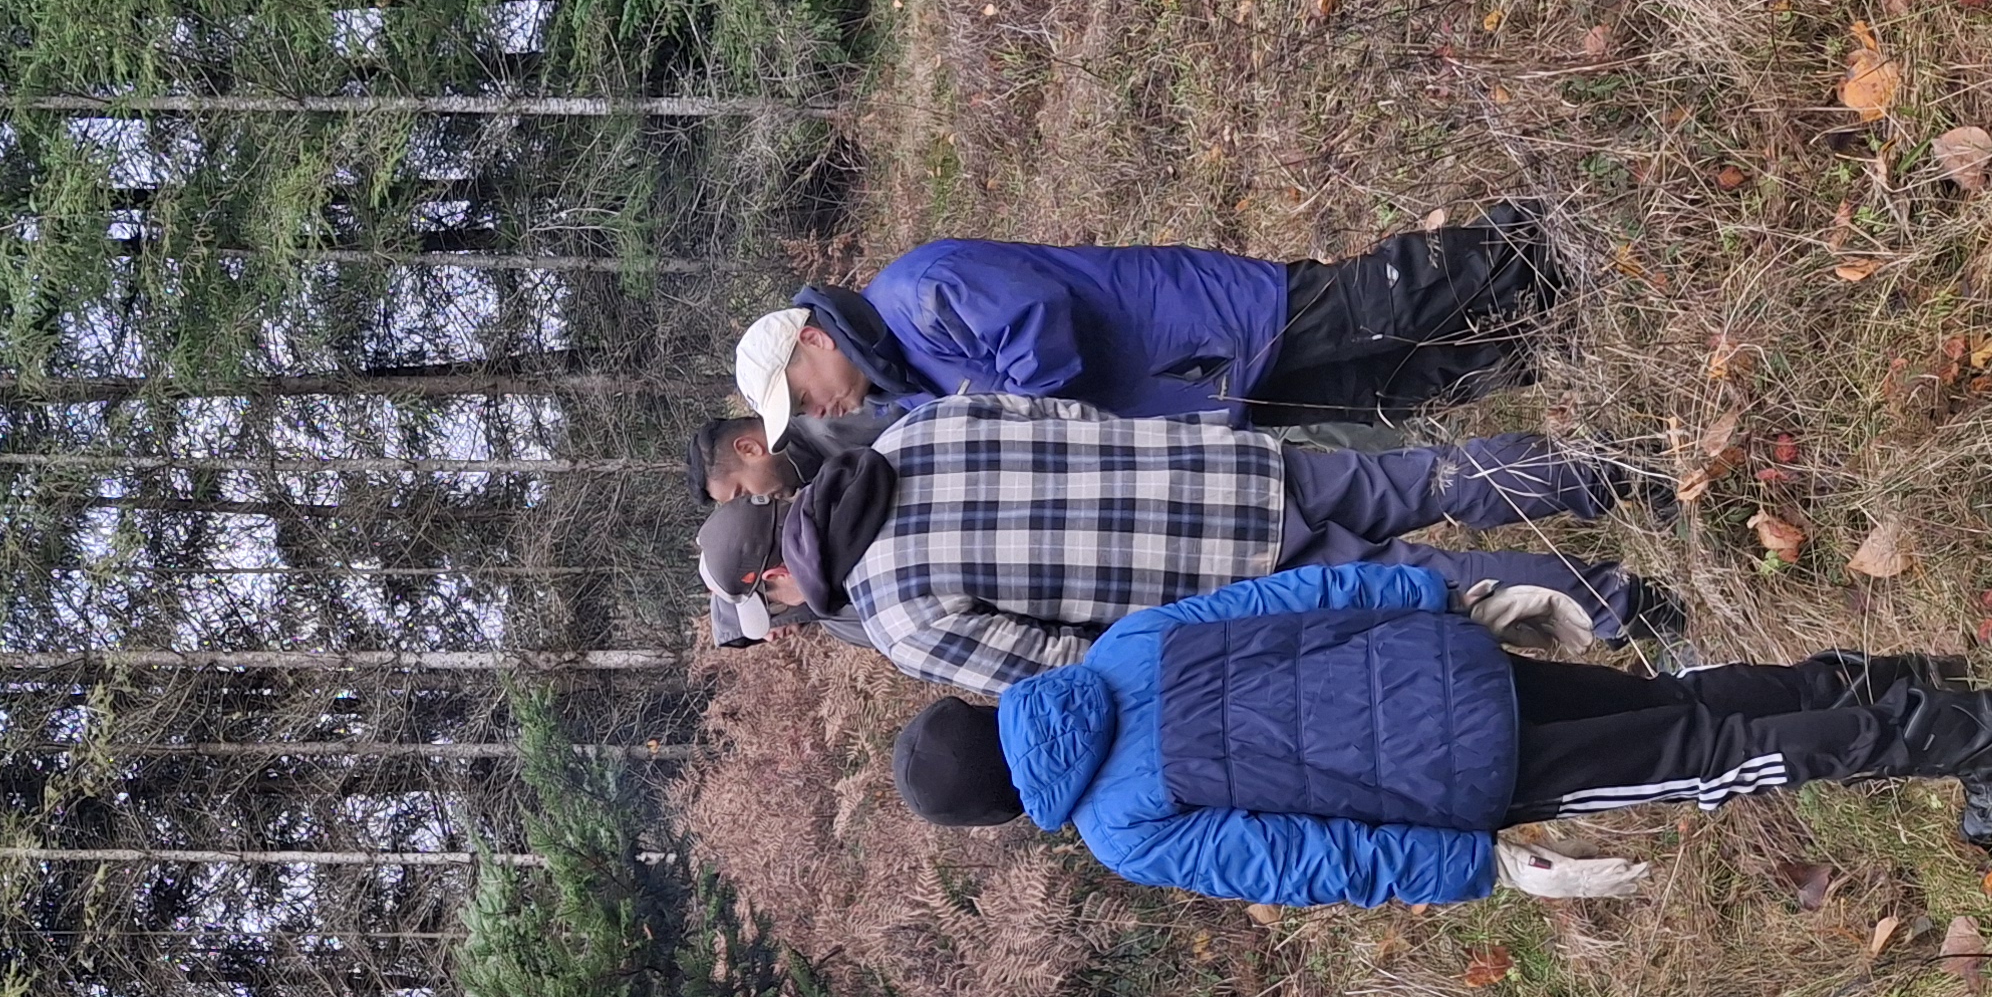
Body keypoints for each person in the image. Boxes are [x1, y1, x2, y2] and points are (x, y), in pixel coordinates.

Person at [884, 560, 1992, 906]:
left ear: (1000, 814)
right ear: (994, 712)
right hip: (1452, 666)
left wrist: (1479, 868)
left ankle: (1981, 735)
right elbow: (1298, 598)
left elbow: (1312, 861)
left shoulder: (1124, 832)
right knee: (1681, 704)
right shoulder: (1125, 649)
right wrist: (1448, 599)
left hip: (1472, 775)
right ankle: (1897, 682)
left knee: (1709, 764)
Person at [686, 391, 1676, 688]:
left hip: (1229, 581)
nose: (784, 614)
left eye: (768, 601)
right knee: (1427, 476)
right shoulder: (908, 437)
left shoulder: (901, 621)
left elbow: (1072, 667)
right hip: (1228, 470)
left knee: (1438, 590)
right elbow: (1063, 413)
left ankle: (1636, 606)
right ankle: (1626, 470)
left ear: (772, 572)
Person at [730, 208, 1569, 435]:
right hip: (1191, 399)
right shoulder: (908, 394)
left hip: (1199, 323)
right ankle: (1539, 339)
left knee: (1374, 305)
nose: (818, 414)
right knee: (1373, 394)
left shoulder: (920, 291)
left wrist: (1029, 427)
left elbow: (1039, 321)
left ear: (815, 339)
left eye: (802, 398)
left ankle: (1533, 244)